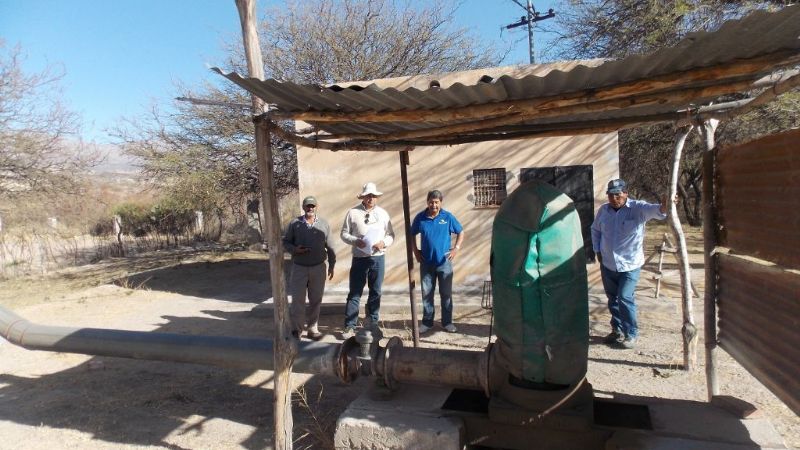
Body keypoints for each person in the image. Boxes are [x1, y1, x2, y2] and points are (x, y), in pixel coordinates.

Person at [591, 179, 669, 349]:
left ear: (626, 193)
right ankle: (617, 330)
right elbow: (595, 230)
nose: (614, 198)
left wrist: (665, 205)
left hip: (630, 265)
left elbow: (658, 211)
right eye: (611, 195)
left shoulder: (638, 208)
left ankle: (631, 334)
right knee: (612, 298)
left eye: (618, 194)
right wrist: (597, 250)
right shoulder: (603, 211)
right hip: (608, 264)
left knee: (625, 297)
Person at [340, 182, 395, 337]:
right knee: (355, 292)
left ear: (377, 197)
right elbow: (344, 233)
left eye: (373, 196)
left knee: (376, 291)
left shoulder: (383, 214)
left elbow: (391, 234)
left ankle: (372, 323)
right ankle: (350, 325)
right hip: (359, 258)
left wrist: (383, 243)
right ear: (363, 197)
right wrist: (355, 240)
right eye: (368, 195)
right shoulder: (352, 213)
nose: (371, 198)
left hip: (378, 258)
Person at [282, 195, 336, 340]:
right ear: (303, 207)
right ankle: (297, 330)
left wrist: (332, 264)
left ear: (316, 207)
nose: (310, 208)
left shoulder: (324, 224)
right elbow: (286, 242)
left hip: (318, 268)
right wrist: (295, 249)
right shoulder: (294, 223)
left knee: (316, 299)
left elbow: (330, 246)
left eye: (312, 206)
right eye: (307, 206)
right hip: (299, 267)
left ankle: (313, 328)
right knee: (297, 300)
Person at [411, 190, 464, 334]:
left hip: (444, 263)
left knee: (446, 294)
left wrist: (456, 249)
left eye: (436, 202)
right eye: (431, 202)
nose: (433, 205)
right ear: (427, 202)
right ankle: (427, 323)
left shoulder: (447, 217)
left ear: (440, 202)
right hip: (426, 263)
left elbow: (460, 231)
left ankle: (447, 322)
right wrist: (415, 251)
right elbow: (412, 234)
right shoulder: (420, 218)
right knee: (427, 294)